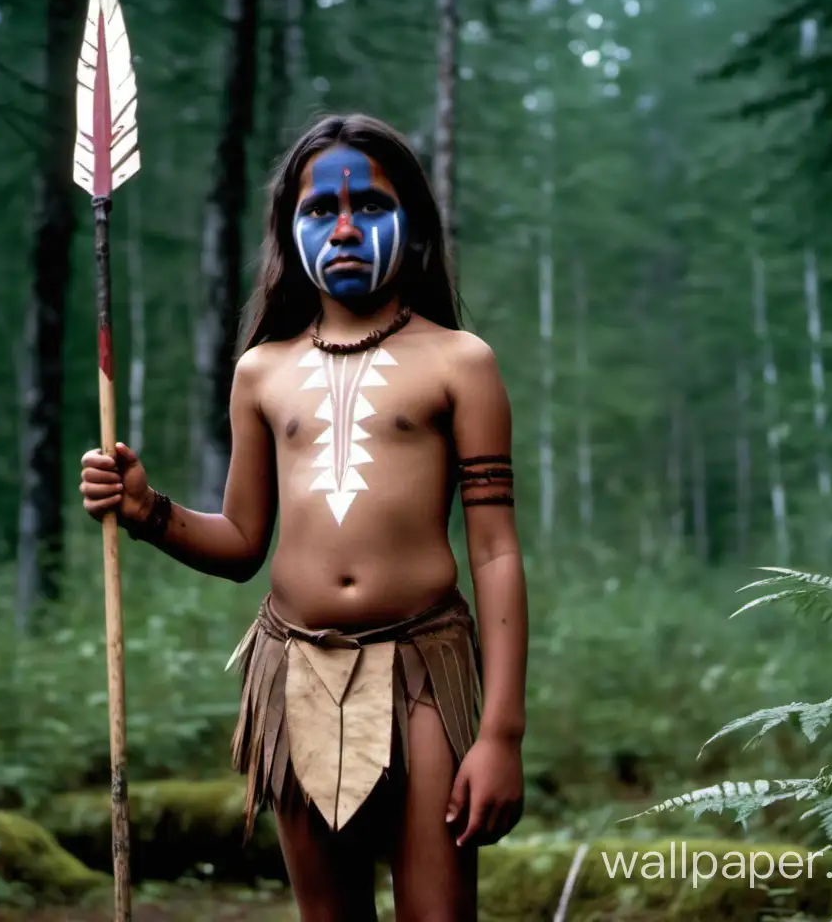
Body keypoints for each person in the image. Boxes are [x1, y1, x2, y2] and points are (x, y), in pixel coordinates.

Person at [80, 113, 529, 921]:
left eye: (372, 207)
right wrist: (150, 512)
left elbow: (495, 553)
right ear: (290, 230)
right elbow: (243, 543)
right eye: (321, 210)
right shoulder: (262, 372)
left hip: (426, 666)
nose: (347, 227)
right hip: (297, 668)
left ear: (415, 224)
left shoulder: (462, 362)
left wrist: (501, 735)